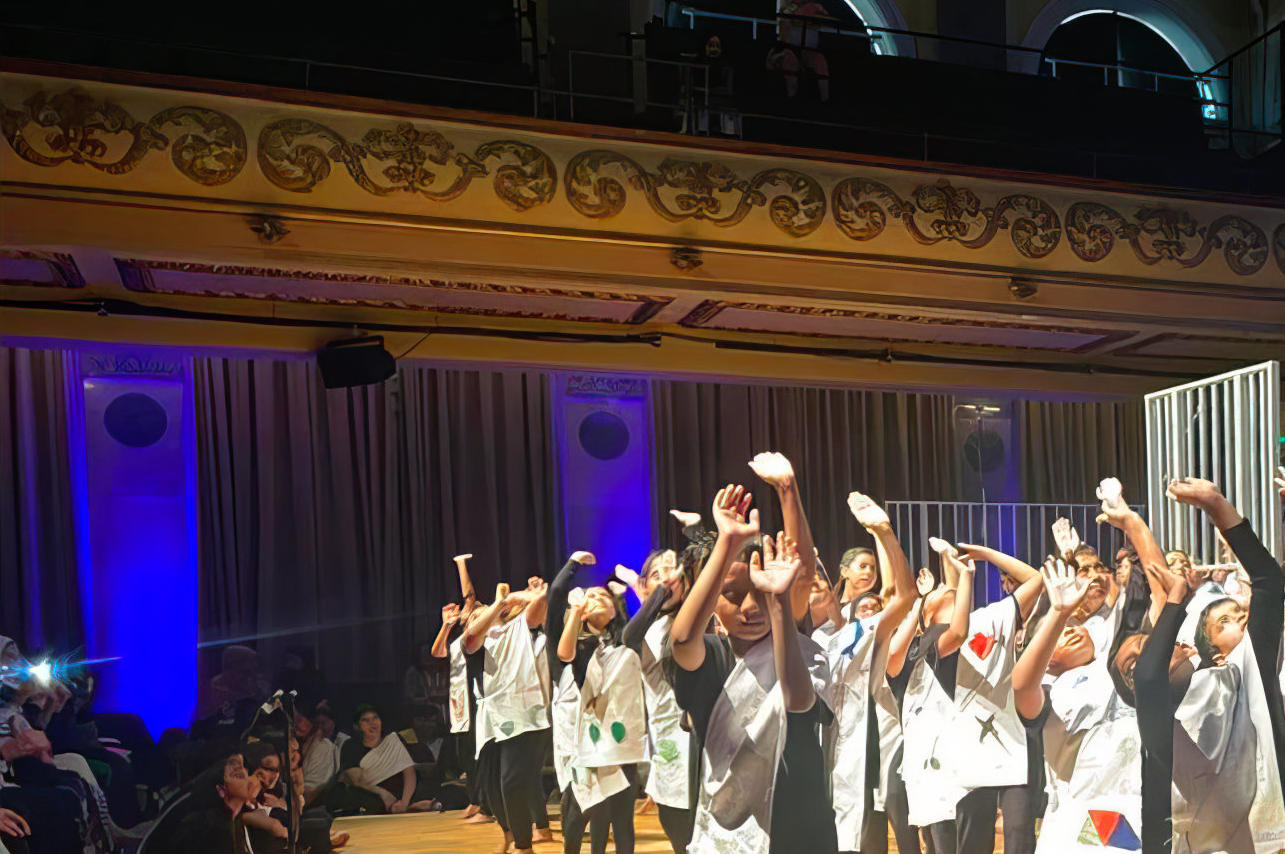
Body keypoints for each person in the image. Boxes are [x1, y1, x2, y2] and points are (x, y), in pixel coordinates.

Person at [666, 480, 836, 854]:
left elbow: (798, 699)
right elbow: (681, 640)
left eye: (759, 592)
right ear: (712, 606)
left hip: (803, 828)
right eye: (731, 595)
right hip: (729, 834)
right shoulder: (710, 655)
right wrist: (726, 543)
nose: (750, 607)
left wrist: (790, 489)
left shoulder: (800, 649)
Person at [1135, 476, 1285, 854]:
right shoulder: (1167, 712)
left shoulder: (1250, 668)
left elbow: (1268, 580)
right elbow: (1149, 676)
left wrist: (1216, 503)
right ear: (1214, 653)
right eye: (1226, 621)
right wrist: (1175, 599)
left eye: (1240, 612)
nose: (1243, 618)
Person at [547, 554, 645, 854]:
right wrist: (576, 607)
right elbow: (563, 651)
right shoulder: (583, 648)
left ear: (616, 609)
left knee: (622, 822)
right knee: (576, 820)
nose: (596, 598)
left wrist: (631, 586)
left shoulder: (629, 643)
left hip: (621, 745)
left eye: (603, 596)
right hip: (588, 750)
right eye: (590, 596)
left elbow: (645, 614)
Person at [622, 543, 703, 854]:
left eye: (671, 572)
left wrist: (690, 554)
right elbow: (630, 638)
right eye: (656, 575)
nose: (666, 578)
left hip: (706, 733)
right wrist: (654, 595)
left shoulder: (701, 615)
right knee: (675, 822)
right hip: (667, 734)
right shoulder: (651, 628)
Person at [464, 577, 552, 854]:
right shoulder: (475, 643)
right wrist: (497, 603)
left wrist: (529, 595)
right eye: (477, 616)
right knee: (492, 787)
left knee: (513, 781)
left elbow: (540, 606)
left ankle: (524, 845)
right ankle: (510, 835)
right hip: (490, 719)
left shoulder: (519, 627)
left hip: (524, 714)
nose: (484, 616)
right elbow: (471, 636)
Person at [335, 705, 437, 815]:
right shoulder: (351, 746)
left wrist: (404, 802)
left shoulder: (392, 741)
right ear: (358, 726)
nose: (372, 723)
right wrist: (382, 793)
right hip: (371, 797)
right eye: (366, 720)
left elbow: (408, 772)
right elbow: (357, 781)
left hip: (401, 795)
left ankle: (409, 807)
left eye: (375, 718)